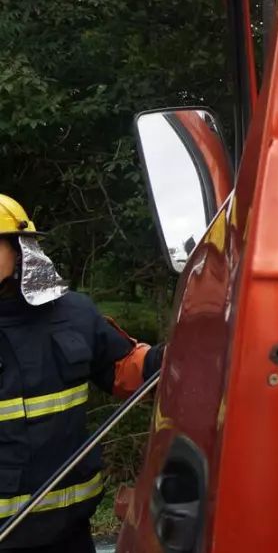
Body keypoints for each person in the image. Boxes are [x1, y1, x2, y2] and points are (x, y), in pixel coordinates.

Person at [0, 195, 165, 553]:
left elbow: (125, 370)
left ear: (21, 249)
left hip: (70, 531)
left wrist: (168, 361)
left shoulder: (73, 313)